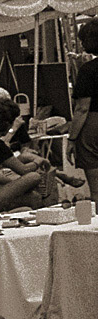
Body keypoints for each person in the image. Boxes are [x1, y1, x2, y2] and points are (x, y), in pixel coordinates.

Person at [69, 19, 98, 199]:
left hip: (93, 124)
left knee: (96, 190)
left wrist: (72, 138)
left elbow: (82, 109)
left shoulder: (88, 70)